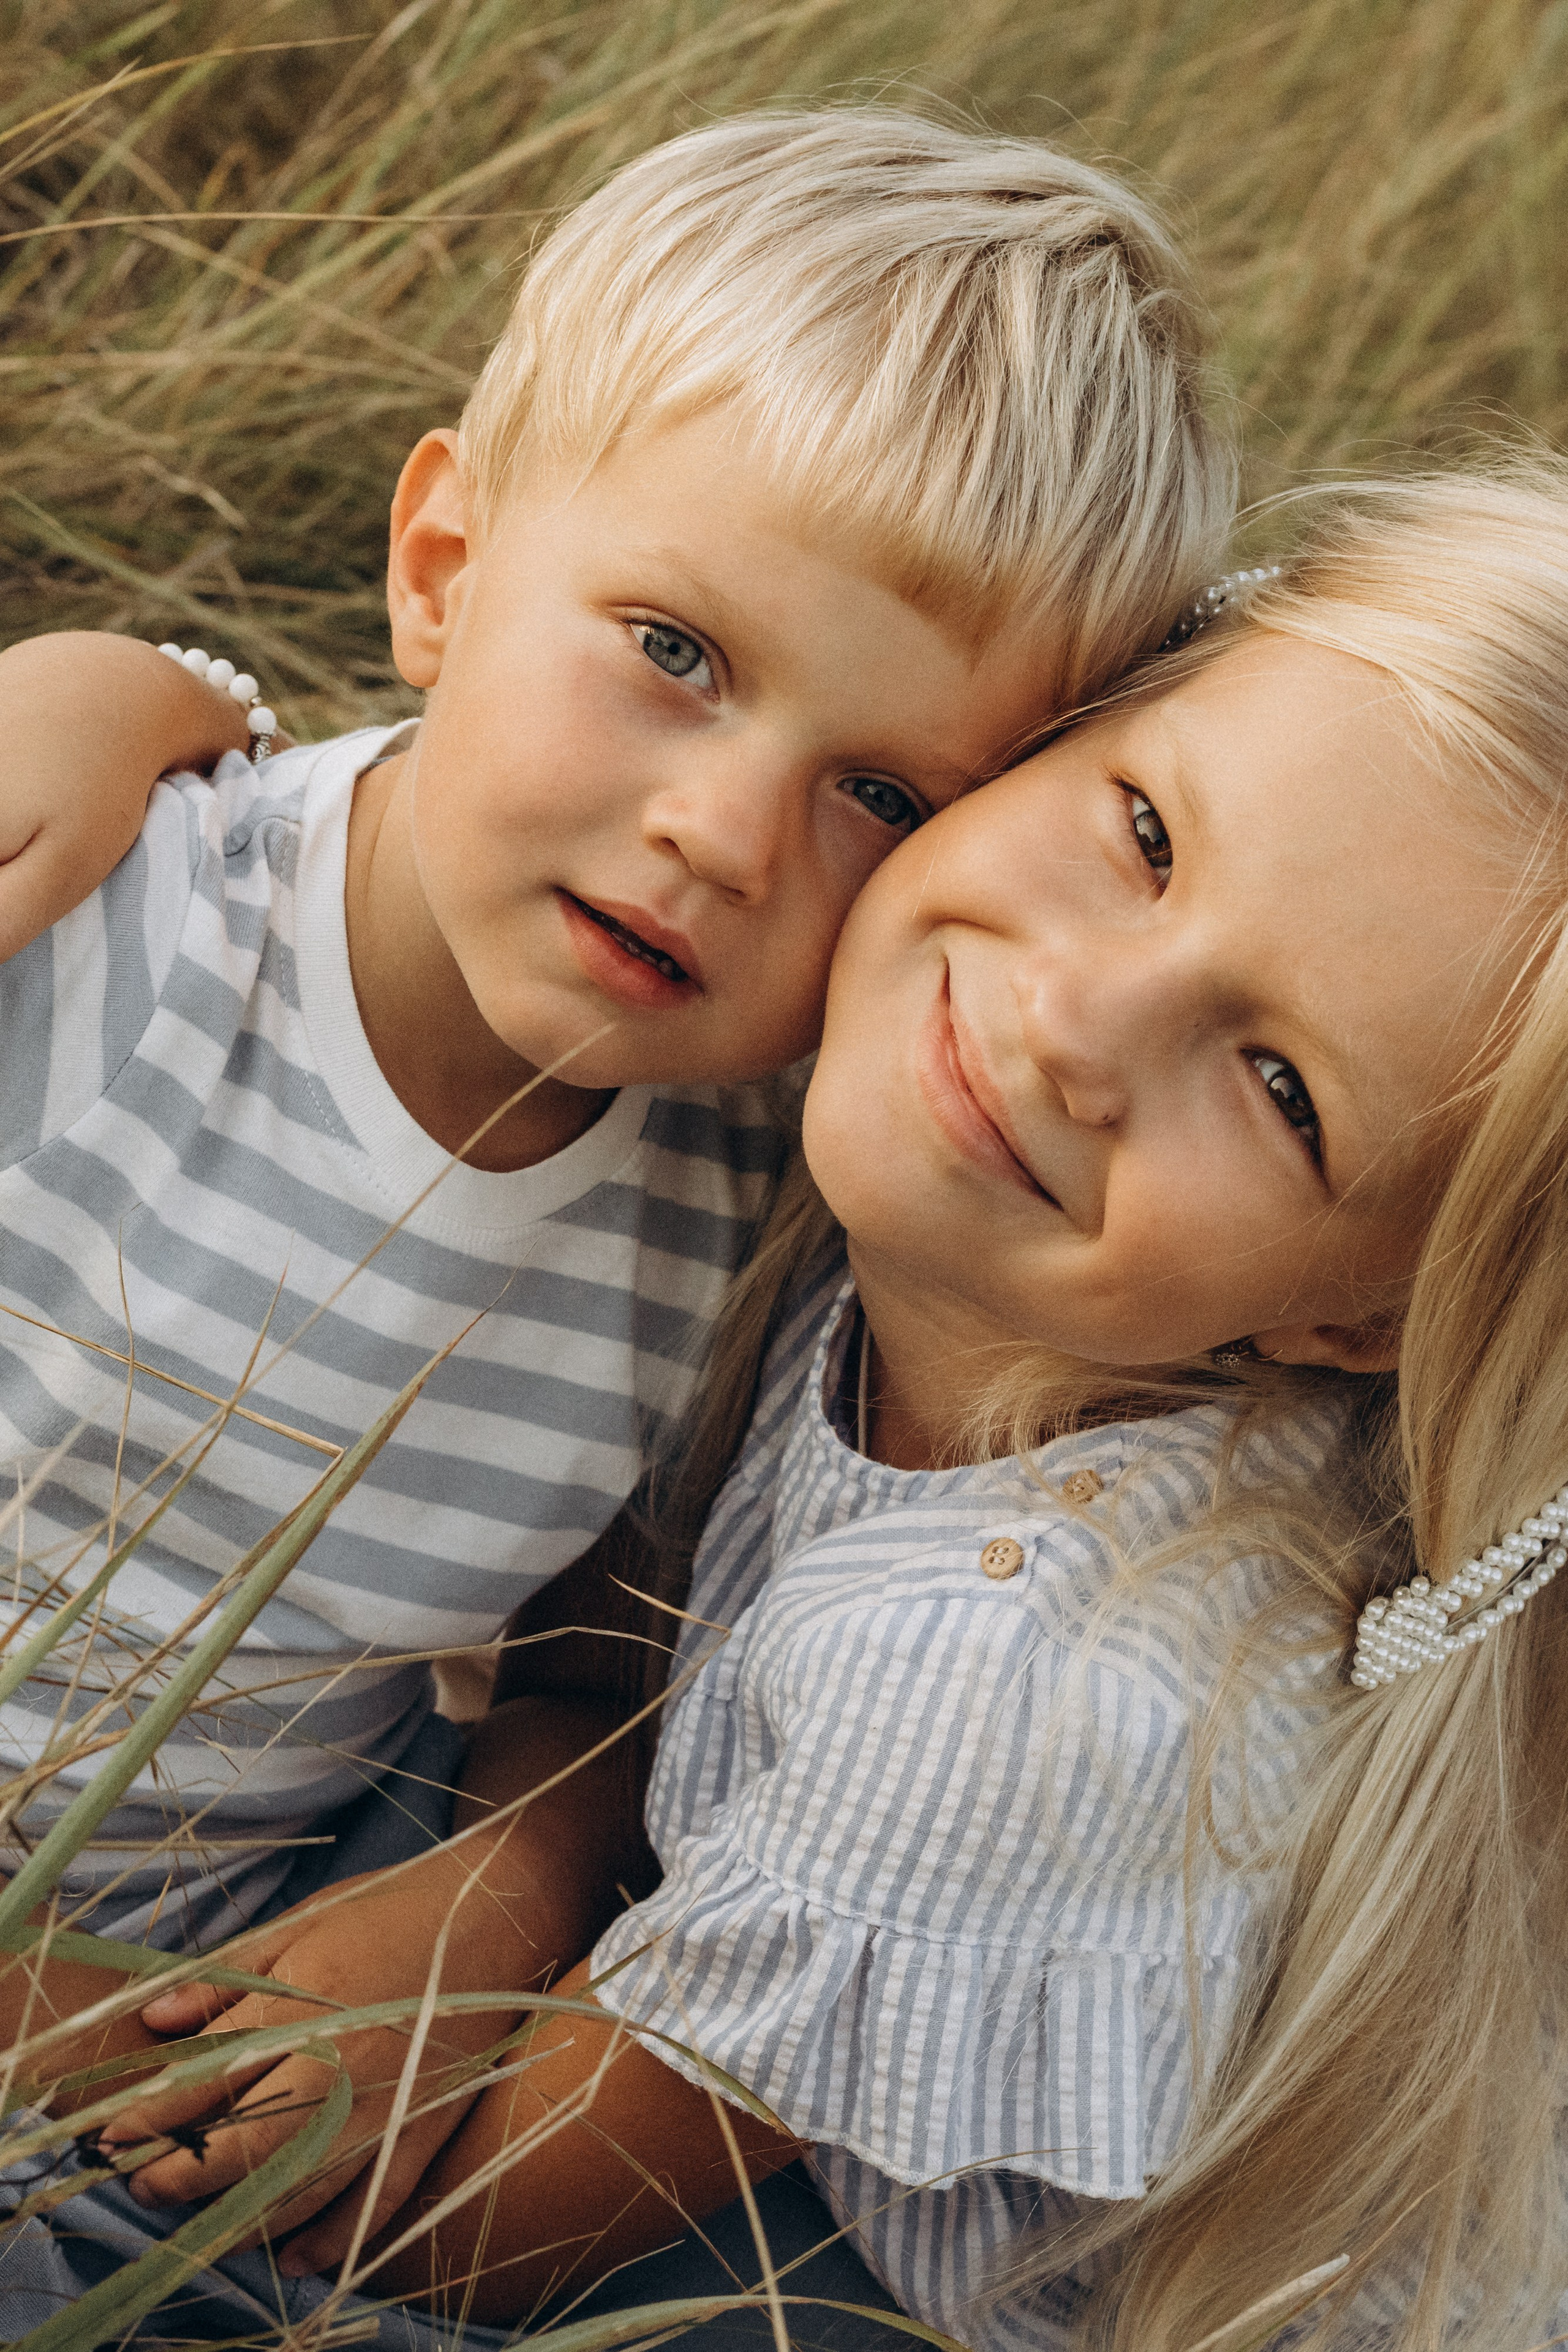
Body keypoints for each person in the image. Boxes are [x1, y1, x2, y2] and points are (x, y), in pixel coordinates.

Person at [34, 460, 1567, 2352]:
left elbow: (418, 2244)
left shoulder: (1021, 1681)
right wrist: (147, 694)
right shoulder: (907, 1165)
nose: (1077, 1025)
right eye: (1150, 835)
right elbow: (636, 1614)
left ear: (1361, 1324)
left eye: (1281, 1089)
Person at [0, 104, 1230, 2280]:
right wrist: (140, 695)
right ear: (445, 575)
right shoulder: (93, 928)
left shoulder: (753, 1202)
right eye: (674, 651)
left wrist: (484, 1898)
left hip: (188, 2037)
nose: (730, 839)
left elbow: (607, 1648)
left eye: (881, 790)